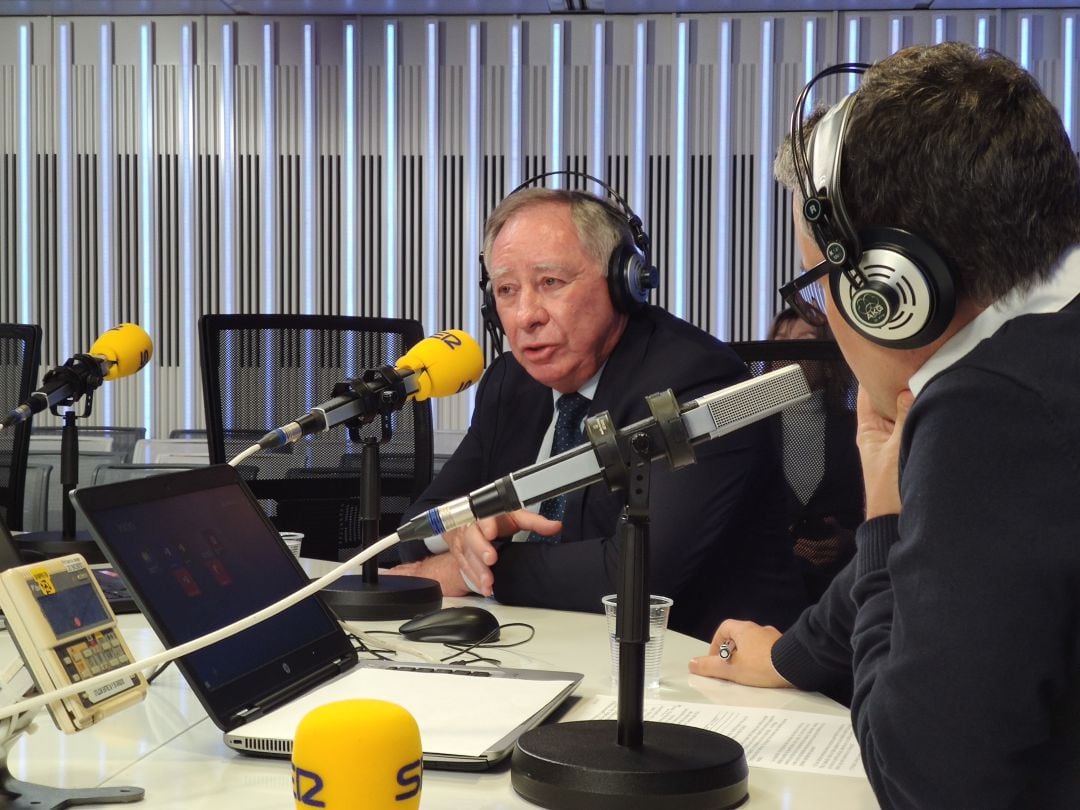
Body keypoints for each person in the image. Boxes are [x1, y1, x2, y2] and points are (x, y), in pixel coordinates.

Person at [689, 43, 1080, 807]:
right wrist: (789, 657)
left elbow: (926, 780)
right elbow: (949, 569)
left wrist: (881, 518)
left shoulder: (992, 403)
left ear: (889, 288)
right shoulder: (1049, 347)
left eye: (821, 277)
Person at [392, 186, 807, 641]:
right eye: (507, 290)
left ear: (622, 283)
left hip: (703, 671)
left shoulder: (695, 379)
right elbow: (421, 522)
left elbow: (635, 572)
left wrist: (470, 571)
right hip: (545, 643)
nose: (526, 315)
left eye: (550, 283)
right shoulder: (510, 382)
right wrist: (458, 533)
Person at [766, 308, 862, 601]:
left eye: (805, 339)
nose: (789, 349)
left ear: (830, 363)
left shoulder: (859, 429)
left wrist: (847, 540)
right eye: (780, 340)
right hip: (770, 587)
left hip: (842, 591)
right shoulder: (752, 432)